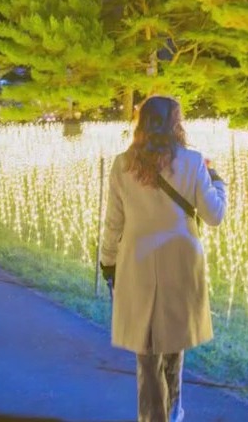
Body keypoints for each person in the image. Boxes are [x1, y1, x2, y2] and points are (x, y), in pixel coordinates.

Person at [99, 96, 227, 422]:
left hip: (137, 263)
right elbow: (214, 215)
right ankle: (172, 412)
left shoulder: (123, 164)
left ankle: (152, 416)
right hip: (181, 263)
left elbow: (114, 222)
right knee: (173, 344)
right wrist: (218, 183)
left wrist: (108, 261)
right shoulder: (193, 161)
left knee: (146, 348)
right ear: (175, 123)